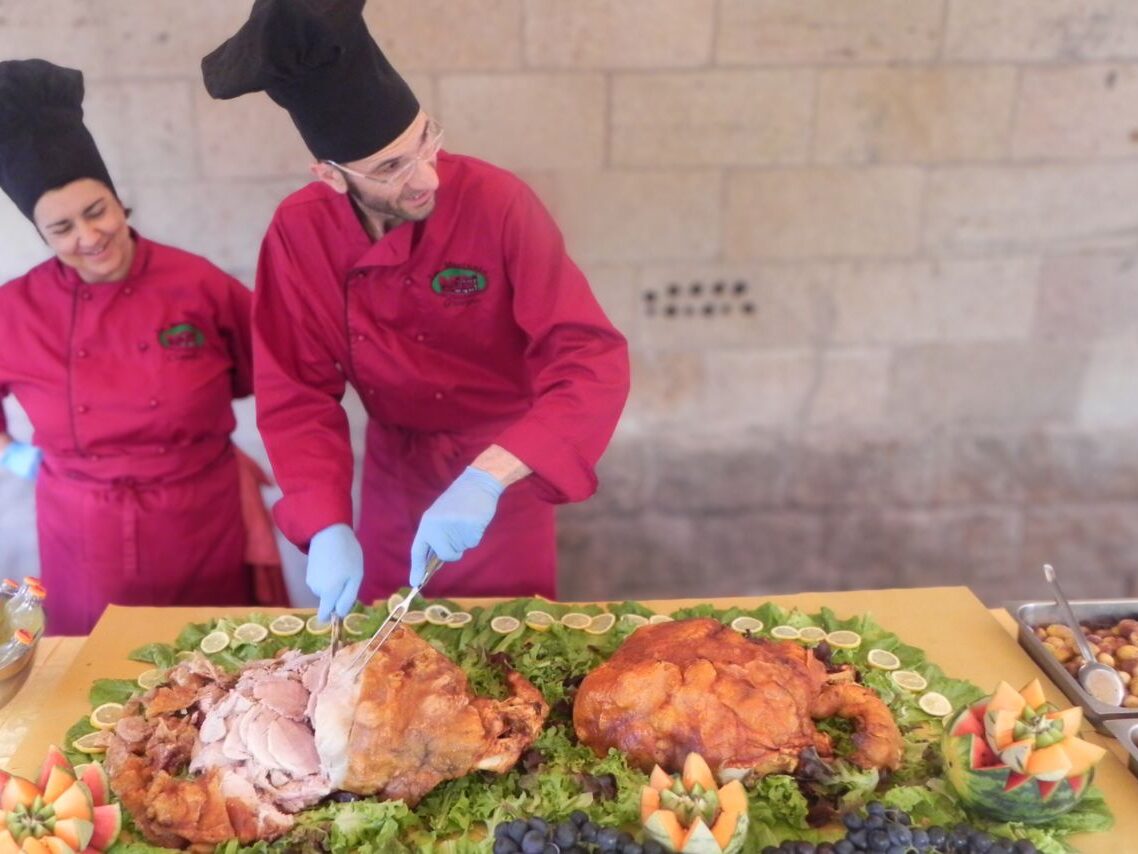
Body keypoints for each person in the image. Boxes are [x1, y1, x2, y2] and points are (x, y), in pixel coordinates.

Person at [201, 0, 630, 623]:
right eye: (392, 167)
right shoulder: (299, 233)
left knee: (507, 650)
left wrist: (487, 480)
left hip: (502, 475)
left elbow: (590, 358)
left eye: (427, 140)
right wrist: (322, 521)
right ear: (329, 175)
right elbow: (296, 393)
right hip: (393, 478)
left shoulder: (499, 203)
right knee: (389, 656)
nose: (426, 175)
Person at [0, 59, 272, 635]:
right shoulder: (14, 309)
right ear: (41, 235)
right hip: (81, 527)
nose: (89, 236)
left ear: (118, 202)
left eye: (97, 211)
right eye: (63, 228)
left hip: (199, 515)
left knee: (213, 662)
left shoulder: (197, 283)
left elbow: (269, 370)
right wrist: (14, 455)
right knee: (96, 670)